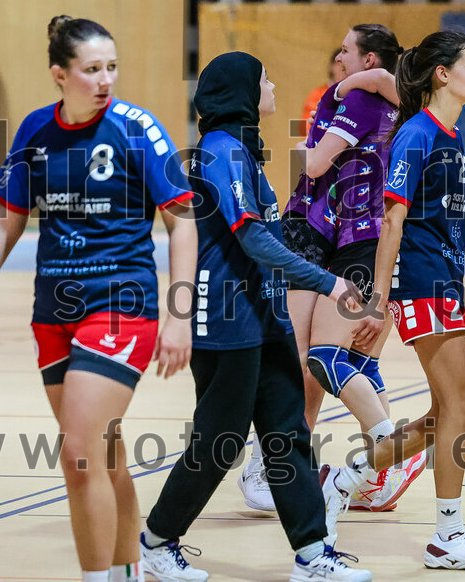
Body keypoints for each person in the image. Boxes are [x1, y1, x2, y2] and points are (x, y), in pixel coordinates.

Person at [0, 16, 197, 582]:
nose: (106, 80)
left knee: (78, 454)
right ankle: (128, 571)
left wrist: (179, 316)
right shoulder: (35, 130)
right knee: (102, 454)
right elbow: (5, 222)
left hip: (122, 304)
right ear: (60, 74)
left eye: (112, 67)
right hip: (54, 313)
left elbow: (183, 222)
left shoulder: (137, 128)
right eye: (92, 69)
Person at [138, 51, 371, 582]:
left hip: (265, 318)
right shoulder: (221, 151)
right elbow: (253, 239)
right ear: (241, 91)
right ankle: (156, 542)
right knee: (218, 442)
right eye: (265, 79)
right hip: (227, 321)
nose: (273, 86)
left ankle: (312, 554)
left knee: (287, 435)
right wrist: (328, 281)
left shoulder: (243, 149)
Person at [318, 30, 465, 571]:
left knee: (441, 415)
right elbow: (392, 219)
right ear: (442, 73)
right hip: (423, 284)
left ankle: (345, 480)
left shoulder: (451, 137)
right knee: (461, 406)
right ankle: (447, 536)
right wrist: (378, 300)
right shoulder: (415, 134)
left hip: (446, 284)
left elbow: (458, 219)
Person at [240, 26, 415, 514]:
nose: (338, 57)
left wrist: (340, 94)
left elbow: (314, 164)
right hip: (330, 229)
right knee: (325, 359)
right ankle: (319, 464)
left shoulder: (360, 97)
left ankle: (292, 461)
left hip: (330, 229)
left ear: (370, 58)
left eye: (345, 50)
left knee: (314, 357)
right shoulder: (388, 104)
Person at [299, 50, 346, 137]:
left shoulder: (355, 95)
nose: (342, 68)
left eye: (345, 64)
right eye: (339, 63)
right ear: (331, 66)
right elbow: (304, 128)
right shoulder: (317, 94)